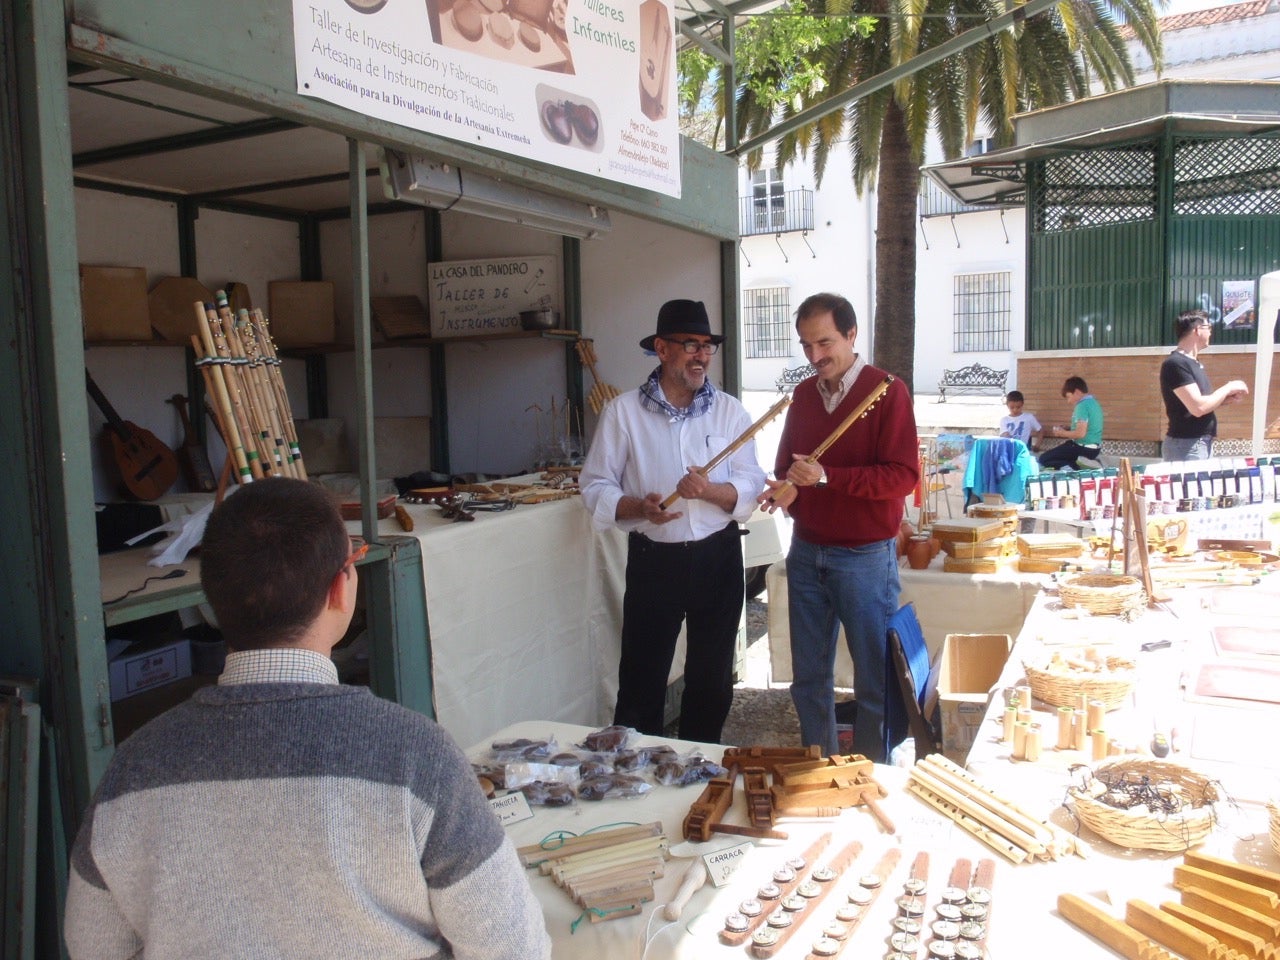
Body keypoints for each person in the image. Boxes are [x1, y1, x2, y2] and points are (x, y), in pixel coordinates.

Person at [64, 478, 550, 960]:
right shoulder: (417, 757)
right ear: (341, 587)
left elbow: (92, 947)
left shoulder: (131, 770)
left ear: (210, 601)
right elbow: (514, 949)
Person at [580, 299, 766, 743]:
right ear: (662, 350)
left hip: (717, 557)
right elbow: (594, 487)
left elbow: (751, 485)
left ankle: (701, 771)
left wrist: (712, 492)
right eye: (689, 345)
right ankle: (634, 777)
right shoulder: (622, 413)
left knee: (712, 680)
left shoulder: (730, 412)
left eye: (707, 346)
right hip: (654, 560)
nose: (701, 355)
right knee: (641, 680)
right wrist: (637, 508)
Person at [758, 292, 919, 761]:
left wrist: (829, 477)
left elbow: (903, 476)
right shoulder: (806, 395)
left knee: (874, 682)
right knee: (808, 680)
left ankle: (871, 777)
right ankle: (820, 771)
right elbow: (789, 465)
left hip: (865, 557)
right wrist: (788, 489)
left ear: (851, 335)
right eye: (806, 346)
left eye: (824, 342)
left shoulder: (887, 390)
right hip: (807, 551)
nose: (815, 356)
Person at [1160, 309, 1249, 461]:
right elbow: (1198, 408)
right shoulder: (1176, 364)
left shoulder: (1193, 363)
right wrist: (1228, 387)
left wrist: (1225, 399)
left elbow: (1198, 404)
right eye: (1209, 328)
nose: (1211, 333)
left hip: (1198, 444)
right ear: (1197, 330)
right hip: (1186, 445)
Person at [1038, 376, 1104, 470]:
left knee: (1044, 459)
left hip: (1082, 449)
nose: (1069, 401)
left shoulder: (1082, 405)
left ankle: (1078, 466)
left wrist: (1061, 433)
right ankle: (1084, 463)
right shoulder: (1094, 403)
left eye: (1069, 397)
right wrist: (1069, 428)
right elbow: (1089, 428)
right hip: (1094, 449)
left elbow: (1080, 433)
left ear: (1077, 392)